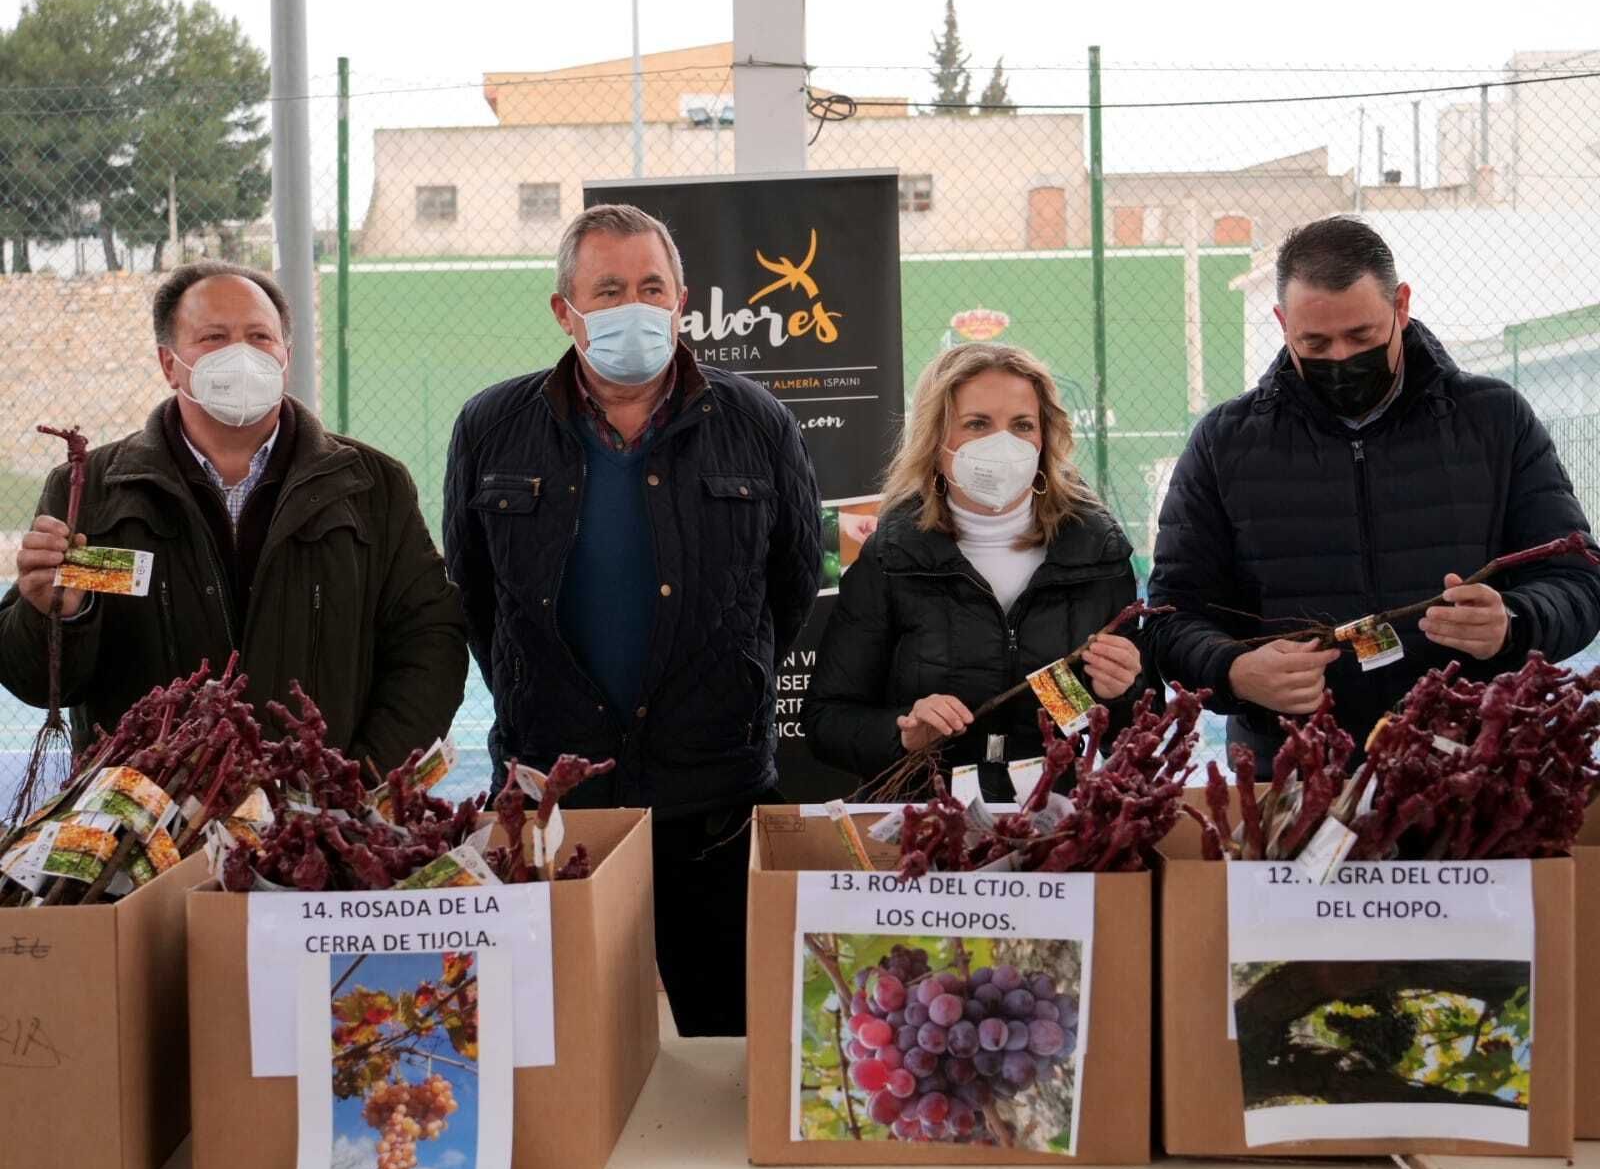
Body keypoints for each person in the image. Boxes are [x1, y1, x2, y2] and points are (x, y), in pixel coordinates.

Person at [443, 203, 822, 1036]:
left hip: (714, 785)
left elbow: (790, 585)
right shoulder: (491, 427)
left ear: (682, 302)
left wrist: (728, 680)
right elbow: (475, 594)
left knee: (729, 1034)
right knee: (563, 1036)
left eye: (652, 287)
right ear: (564, 310)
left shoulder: (758, 423)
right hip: (554, 795)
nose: (633, 307)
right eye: (608, 290)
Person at [1147, 215, 1600, 766]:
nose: (1340, 359)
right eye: (1314, 341)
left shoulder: (1493, 420)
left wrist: (1514, 621)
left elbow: (1578, 578)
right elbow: (1172, 616)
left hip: (1464, 764)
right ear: (1281, 322)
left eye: (1361, 336)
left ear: (1401, 306)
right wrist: (1233, 671)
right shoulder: (1226, 442)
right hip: (1291, 769)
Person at [0, 261, 468, 771]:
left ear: (286, 357)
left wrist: (359, 784)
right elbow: (38, 680)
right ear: (169, 363)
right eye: (214, 337)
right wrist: (60, 615)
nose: (240, 354)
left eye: (259, 337)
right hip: (149, 829)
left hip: (316, 820)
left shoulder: (373, 488)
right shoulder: (91, 492)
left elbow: (430, 645)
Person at [802, 343, 1152, 800]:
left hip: (1056, 824)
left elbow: (1144, 727)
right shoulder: (892, 557)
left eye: (1022, 425)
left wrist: (1124, 691)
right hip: (927, 827)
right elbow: (827, 720)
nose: (1002, 444)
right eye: (977, 424)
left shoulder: (1096, 554)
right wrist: (903, 734)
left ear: (1045, 439)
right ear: (937, 438)